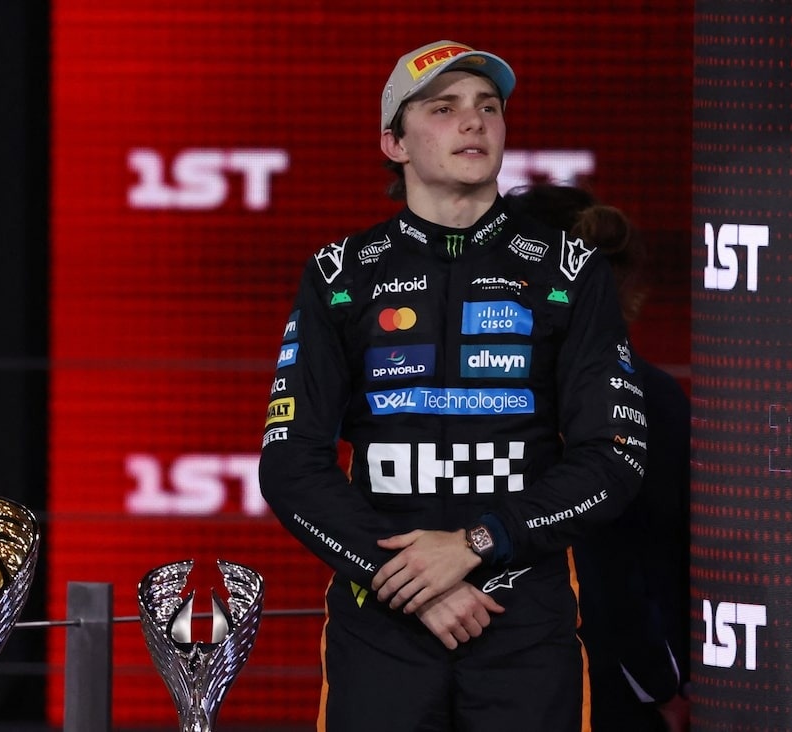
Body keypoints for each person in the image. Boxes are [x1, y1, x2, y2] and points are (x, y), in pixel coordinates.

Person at [258, 40, 647, 731]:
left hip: (524, 622)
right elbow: (290, 464)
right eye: (444, 108)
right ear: (395, 143)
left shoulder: (569, 270)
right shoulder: (340, 274)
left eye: (488, 108)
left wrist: (473, 545)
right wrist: (413, 583)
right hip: (380, 625)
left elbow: (615, 457)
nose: (474, 122)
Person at [505, 184, 691, 732]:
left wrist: (657, 684)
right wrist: (663, 686)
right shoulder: (648, 396)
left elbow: (611, 560)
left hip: (588, 690)